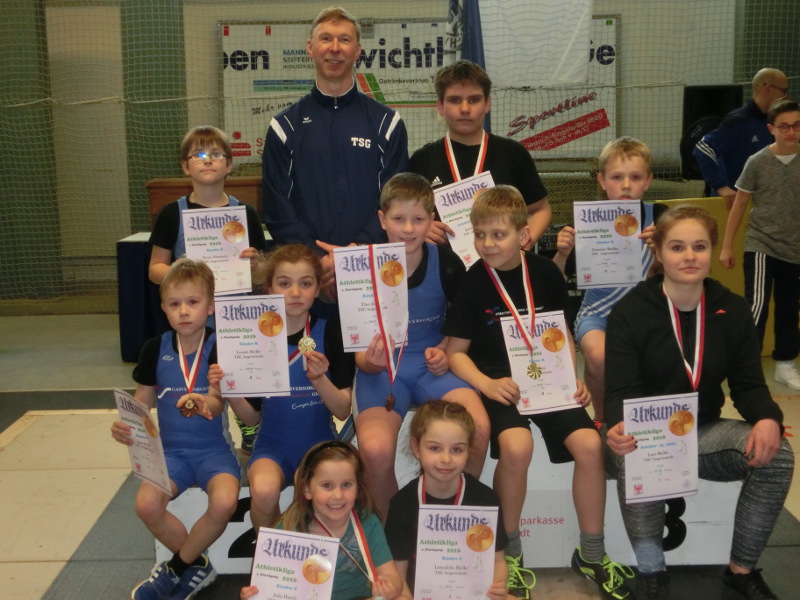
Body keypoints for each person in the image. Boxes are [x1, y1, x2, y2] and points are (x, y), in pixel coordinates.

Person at [443, 186, 634, 600]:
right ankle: (509, 555)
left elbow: (561, 333)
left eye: (498, 234)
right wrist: (487, 384)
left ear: (523, 234)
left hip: (548, 381)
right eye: (480, 234)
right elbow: (455, 353)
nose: (487, 244)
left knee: (590, 445)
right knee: (517, 446)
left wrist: (572, 376)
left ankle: (592, 554)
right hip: (500, 384)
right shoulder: (473, 281)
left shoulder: (546, 273)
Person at [605, 205, 794, 600]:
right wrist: (618, 426)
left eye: (699, 246)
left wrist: (768, 418)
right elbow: (620, 390)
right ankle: (652, 573)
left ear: (712, 251)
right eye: (677, 247)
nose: (689, 256)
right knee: (634, 453)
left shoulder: (733, 309)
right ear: (658, 252)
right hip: (649, 438)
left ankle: (740, 572)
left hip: (704, 433)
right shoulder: (629, 312)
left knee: (778, 455)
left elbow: (748, 385)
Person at [353, 172, 490, 518]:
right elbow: (359, 356)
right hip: (383, 373)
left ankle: (454, 518)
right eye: (399, 219)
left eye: (418, 219)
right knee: (374, 450)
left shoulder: (447, 263)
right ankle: (397, 528)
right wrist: (372, 362)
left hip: (433, 368)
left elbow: (463, 325)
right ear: (382, 219)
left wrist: (444, 349)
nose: (408, 229)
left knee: (478, 428)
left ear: (431, 219)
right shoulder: (360, 269)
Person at [110, 259, 241, 600]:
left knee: (225, 501)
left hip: (214, 453)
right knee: (146, 505)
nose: (184, 311)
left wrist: (204, 403)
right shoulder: (155, 348)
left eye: (193, 302)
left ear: (210, 306)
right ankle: (198, 565)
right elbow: (140, 407)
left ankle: (176, 568)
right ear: (164, 308)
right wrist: (126, 428)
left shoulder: (222, 346)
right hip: (171, 456)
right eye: (174, 303)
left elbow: (218, 403)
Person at [262, 5, 409, 299]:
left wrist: (355, 252)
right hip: (307, 278)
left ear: (357, 51)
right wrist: (316, 258)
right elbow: (277, 207)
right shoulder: (284, 126)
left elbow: (395, 201)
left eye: (344, 40)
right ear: (310, 48)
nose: (335, 48)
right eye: (326, 38)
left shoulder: (387, 123)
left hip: (372, 269)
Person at [210, 244, 354, 532]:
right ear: (269, 289)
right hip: (271, 448)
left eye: (305, 283)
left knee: (315, 490)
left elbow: (342, 410)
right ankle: (269, 555)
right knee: (263, 492)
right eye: (285, 284)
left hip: (319, 446)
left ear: (318, 288)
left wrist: (319, 379)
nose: (295, 293)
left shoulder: (332, 332)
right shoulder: (253, 339)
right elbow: (251, 418)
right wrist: (230, 390)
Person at [149, 125, 270, 454]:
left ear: (229, 164)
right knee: (204, 378)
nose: (207, 160)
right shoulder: (172, 214)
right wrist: (182, 274)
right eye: (199, 154)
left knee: (238, 374)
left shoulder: (245, 213)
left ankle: (248, 423)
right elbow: (155, 268)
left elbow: (262, 273)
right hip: (196, 318)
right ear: (185, 166)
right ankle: (203, 437)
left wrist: (255, 262)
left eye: (216, 154)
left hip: (236, 314)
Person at [552, 136, 655, 423]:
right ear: (602, 180)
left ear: (648, 181)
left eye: (635, 177)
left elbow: (676, 277)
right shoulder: (585, 222)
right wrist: (562, 254)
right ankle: (601, 419)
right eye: (617, 177)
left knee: (654, 360)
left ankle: (646, 421)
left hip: (648, 314)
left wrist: (662, 250)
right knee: (598, 357)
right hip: (598, 312)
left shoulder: (661, 219)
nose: (626, 185)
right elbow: (553, 282)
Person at [242, 441, 413, 600]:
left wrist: (389, 587)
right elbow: (269, 587)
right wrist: (253, 595)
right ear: (307, 489)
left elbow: (392, 576)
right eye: (327, 485)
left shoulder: (367, 523)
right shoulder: (288, 528)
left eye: (346, 485)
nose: (338, 495)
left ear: (358, 487)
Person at [409, 60, 551, 248]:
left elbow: (541, 209)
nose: (465, 109)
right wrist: (421, 228)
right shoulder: (422, 160)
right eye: (455, 100)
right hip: (443, 264)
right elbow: (405, 218)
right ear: (441, 106)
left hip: (502, 263)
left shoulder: (513, 154)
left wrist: (523, 244)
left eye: (474, 100)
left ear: (487, 104)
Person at [384, 400, 508, 599]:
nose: (446, 459)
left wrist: (498, 586)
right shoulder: (403, 504)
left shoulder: (485, 500)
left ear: (468, 450)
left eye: (456, 450)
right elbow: (398, 575)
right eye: (435, 448)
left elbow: (498, 562)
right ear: (416, 448)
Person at [719, 99, 800, 390]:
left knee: (789, 308)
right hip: (761, 243)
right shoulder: (757, 161)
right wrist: (727, 246)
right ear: (771, 129)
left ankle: (785, 365)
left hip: (794, 248)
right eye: (784, 126)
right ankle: (746, 368)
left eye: (796, 125)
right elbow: (740, 205)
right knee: (756, 306)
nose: (791, 132)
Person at [692, 68, 789, 208]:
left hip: (761, 204)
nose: (786, 96)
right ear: (768, 88)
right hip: (733, 205)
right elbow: (702, 149)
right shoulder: (739, 121)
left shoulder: (773, 122)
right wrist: (721, 186)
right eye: (783, 91)